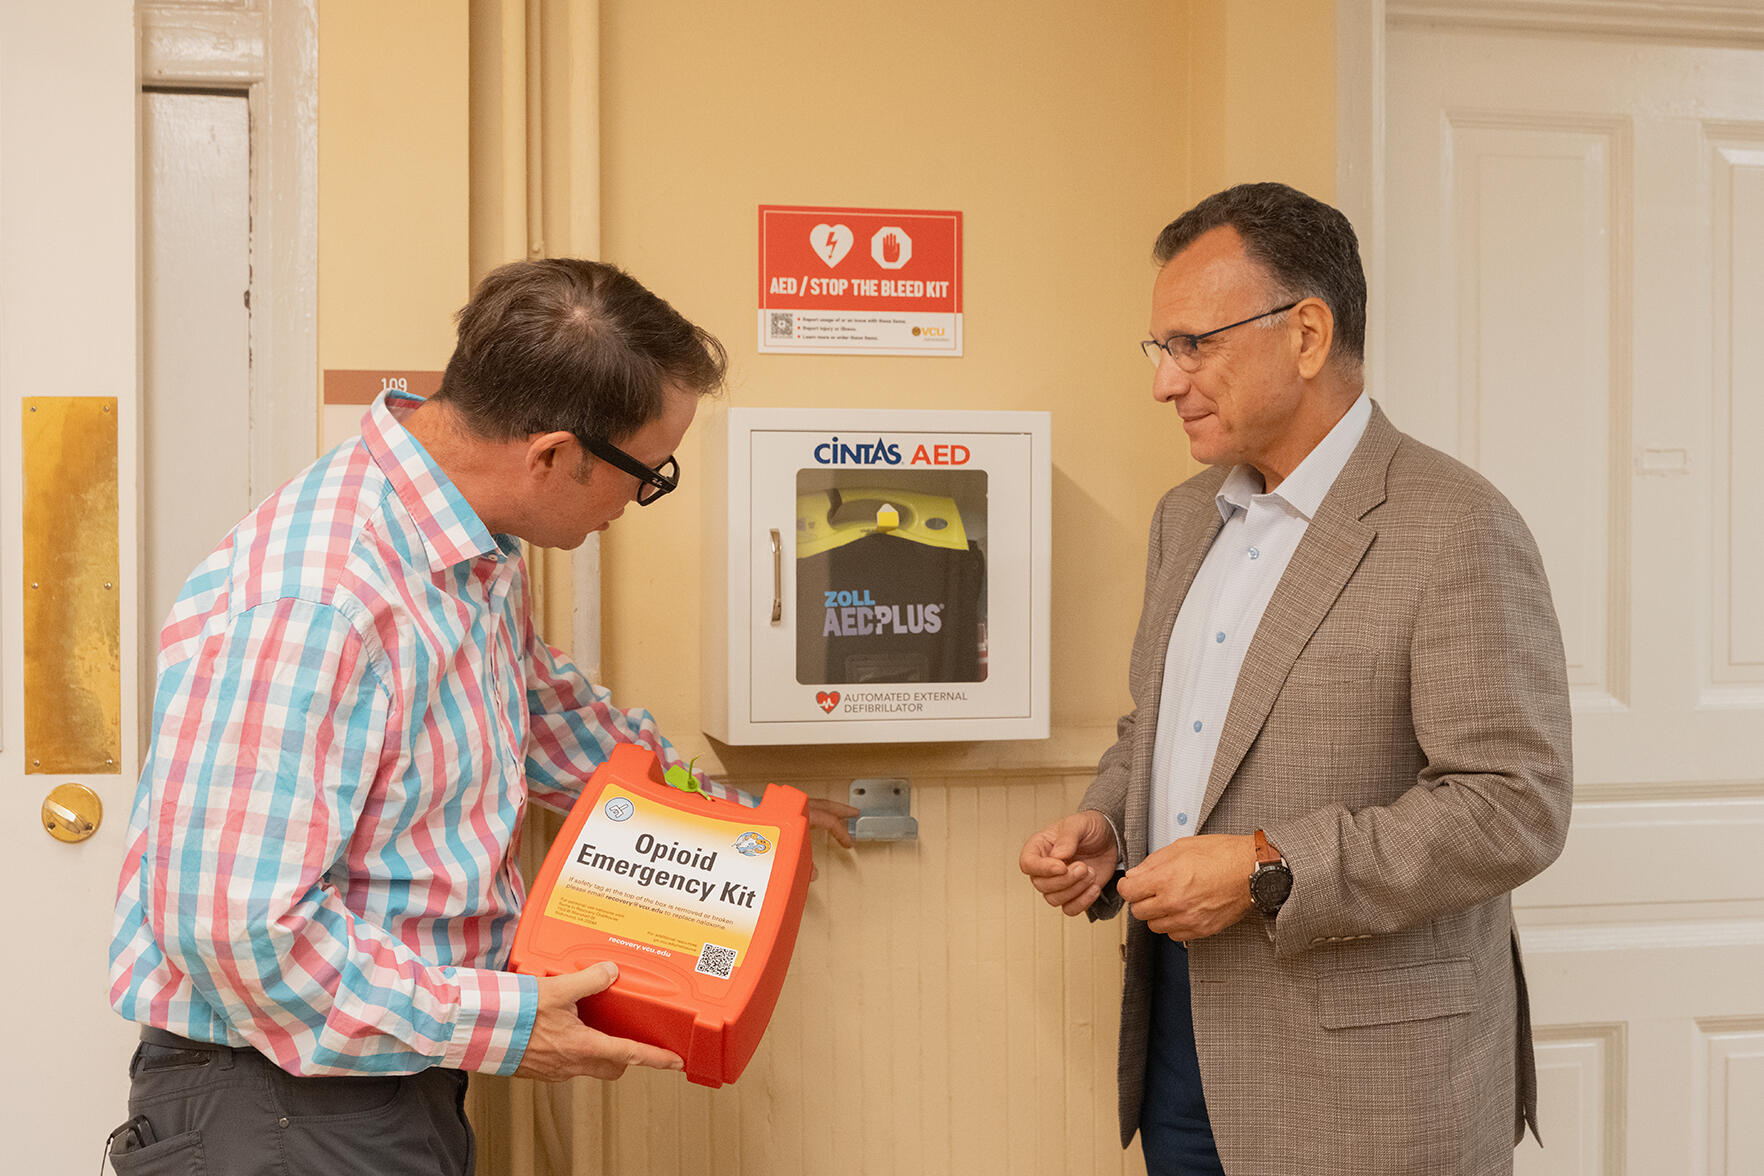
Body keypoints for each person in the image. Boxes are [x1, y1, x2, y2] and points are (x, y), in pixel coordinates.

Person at [107, 258, 855, 1174]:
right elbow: (236, 929)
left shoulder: (470, 544)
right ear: (550, 454)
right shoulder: (318, 601)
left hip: (378, 1075)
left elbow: (535, 708)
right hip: (277, 1105)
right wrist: (502, 1029)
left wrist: (724, 815)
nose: (643, 498)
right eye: (646, 474)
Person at [1019, 183, 1572, 1175]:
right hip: (1180, 1056)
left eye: (1194, 344)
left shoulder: (1456, 527)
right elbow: (1160, 729)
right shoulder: (1184, 518)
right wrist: (1109, 822)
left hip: (1374, 1085)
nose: (1166, 382)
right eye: (1160, 350)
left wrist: (1271, 868)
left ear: (1307, 334)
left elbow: (1513, 804)